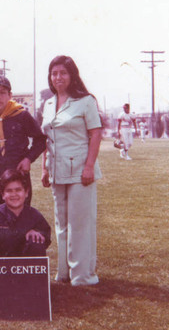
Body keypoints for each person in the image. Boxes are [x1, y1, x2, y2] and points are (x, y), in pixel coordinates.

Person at [41, 55, 103, 286]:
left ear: (72, 75)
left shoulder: (86, 101)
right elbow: (46, 137)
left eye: (63, 73)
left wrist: (89, 166)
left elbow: (95, 133)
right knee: (61, 223)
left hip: (80, 171)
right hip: (56, 170)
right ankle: (64, 272)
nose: (58, 77)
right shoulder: (48, 104)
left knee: (80, 223)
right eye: (54, 73)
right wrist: (45, 168)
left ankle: (82, 276)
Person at [0, 75, 46, 212]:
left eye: (3, 93)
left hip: (18, 171)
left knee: (21, 214)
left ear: (10, 95)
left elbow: (40, 139)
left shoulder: (22, 116)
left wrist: (28, 159)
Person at [0, 169, 51, 257]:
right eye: (9, 191)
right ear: (3, 194)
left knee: (36, 242)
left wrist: (37, 232)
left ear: (26, 192)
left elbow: (46, 235)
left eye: (18, 190)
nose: (14, 194)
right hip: (1, 265)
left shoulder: (35, 215)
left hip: (26, 266)